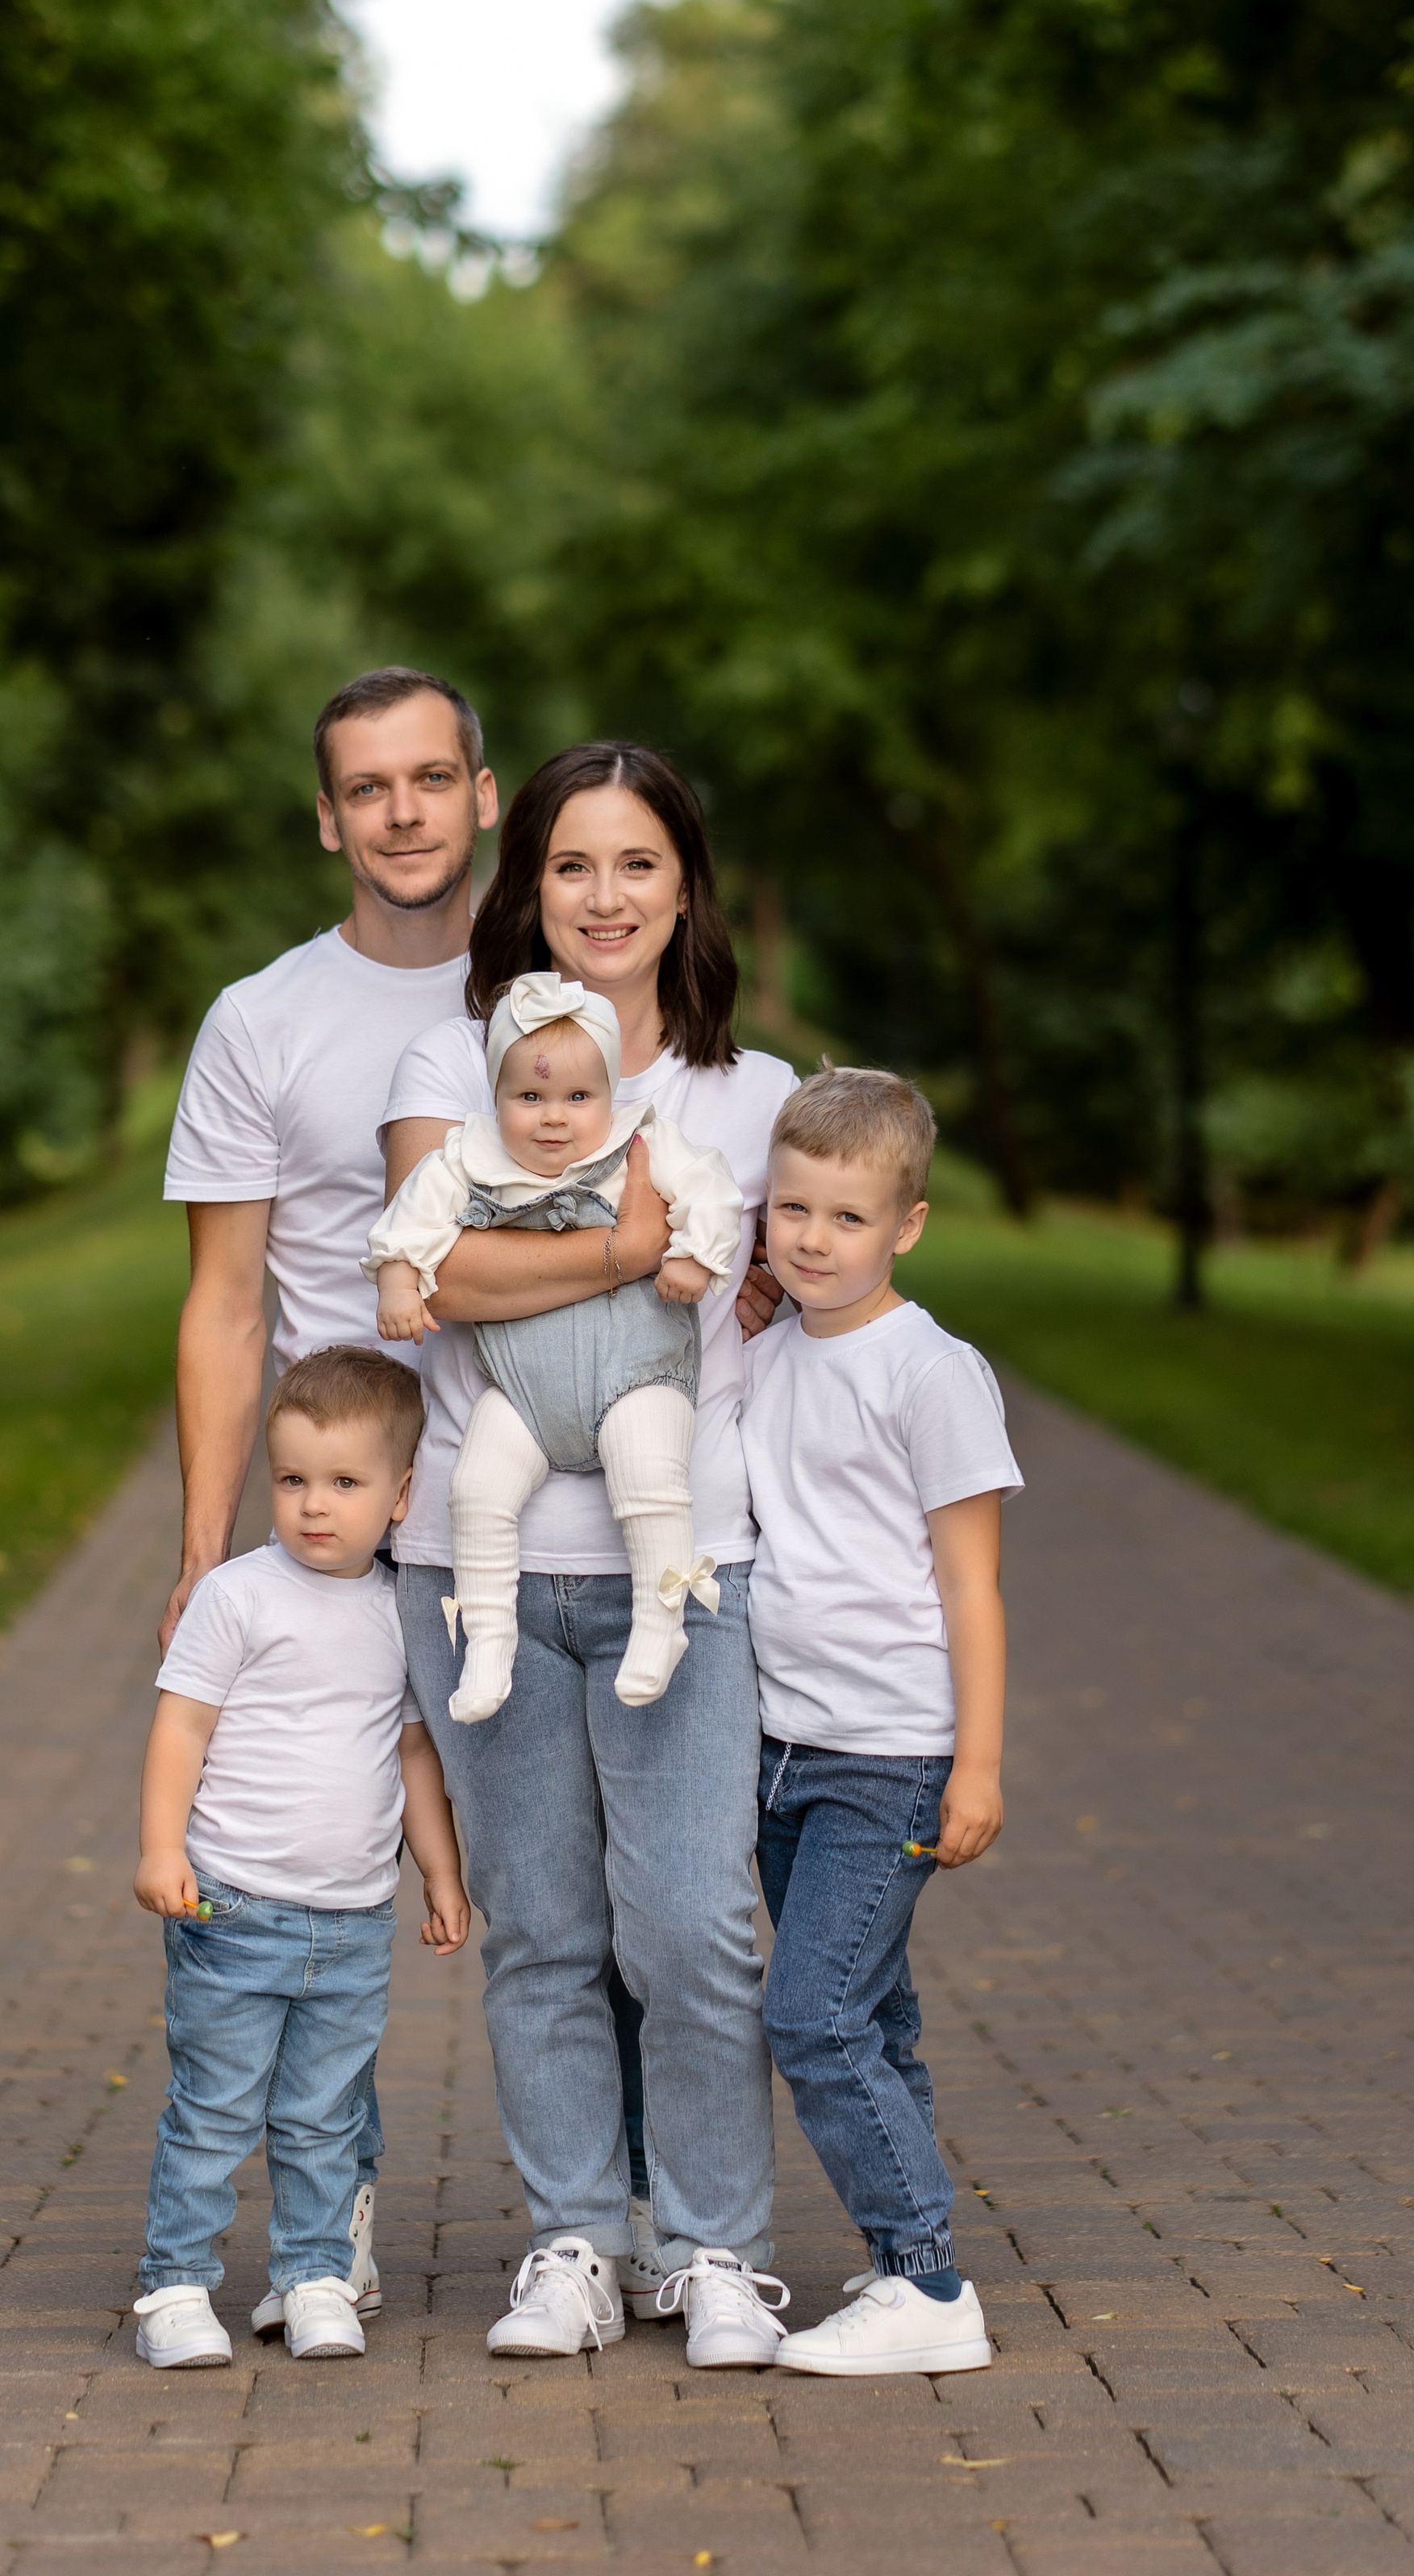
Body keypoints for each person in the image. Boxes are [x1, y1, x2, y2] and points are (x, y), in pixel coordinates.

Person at [382, 743, 796, 2370]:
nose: (603, 898)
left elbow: (788, 1277)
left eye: (635, 865)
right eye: (570, 866)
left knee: (694, 1924)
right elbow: (437, 1273)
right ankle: (573, 2234)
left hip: (679, 1559)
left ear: (684, 880)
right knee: (543, 1931)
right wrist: (631, 1253)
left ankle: (713, 2251)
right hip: (472, 1558)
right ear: (524, 882)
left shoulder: (743, 1094)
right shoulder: (450, 1054)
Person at [161, 663, 495, 2311]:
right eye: (370, 788)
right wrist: (197, 1544)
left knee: (587, 1892)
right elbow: (226, 1304)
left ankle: (638, 2215)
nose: (405, 812)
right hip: (347, 1550)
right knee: (310, 1902)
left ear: (484, 794)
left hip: (534, 1522)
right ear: (325, 820)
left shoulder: (553, 996)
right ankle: (329, 2232)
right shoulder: (262, 1020)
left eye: (432, 778)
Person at [740, 1068, 1021, 2378]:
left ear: (905, 1224)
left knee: (814, 2018)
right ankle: (903, 2253)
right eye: (790, 1208)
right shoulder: (760, 1359)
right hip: (777, 1749)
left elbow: (972, 1583)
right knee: (876, 2013)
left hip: (890, 1756)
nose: (811, 1238)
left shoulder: (931, 1370)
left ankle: (929, 2285)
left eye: (845, 1218)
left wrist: (977, 1763)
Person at [130, 1348, 468, 2371]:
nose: (313, 1506)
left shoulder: (400, 1614)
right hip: (234, 1906)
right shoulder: (239, 1596)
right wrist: (160, 1846)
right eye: (291, 1481)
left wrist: (441, 1874)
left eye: (344, 1483)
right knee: (216, 2109)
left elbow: (412, 1752)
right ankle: (176, 2287)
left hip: (354, 1921)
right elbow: (181, 1727)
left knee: (324, 2116)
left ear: (401, 1494)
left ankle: (315, 2275)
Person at [369, 969, 740, 1719]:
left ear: (609, 1091)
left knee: (650, 1476)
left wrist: (696, 1254)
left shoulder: (643, 1137)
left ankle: (659, 1624)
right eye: (528, 1098)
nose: (554, 1119)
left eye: (579, 1098)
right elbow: (412, 1220)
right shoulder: (468, 1155)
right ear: (496, 1097)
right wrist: (399, 1283)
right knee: (476, 1489)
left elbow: (712, 1190)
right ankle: (489, 1644)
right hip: (525, 1394)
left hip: (636, 1373)